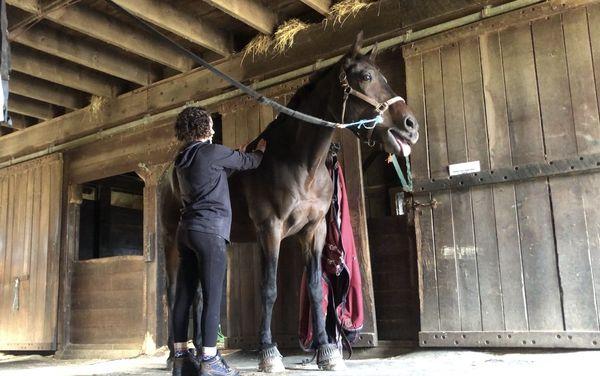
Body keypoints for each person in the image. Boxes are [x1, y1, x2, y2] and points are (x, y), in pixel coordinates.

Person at [171, 106, 266, 376]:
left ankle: (180, 357)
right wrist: (259, 149)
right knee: (213, 297)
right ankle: (210, 360)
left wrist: (229, 157)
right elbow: (250, 162)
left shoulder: (182, 159)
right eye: (211, 124)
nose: (213, 128)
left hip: (186, 232)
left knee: (184, 295)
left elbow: (213, 177)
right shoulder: (212, 152)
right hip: (210, 232)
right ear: (204, 127)